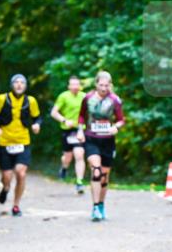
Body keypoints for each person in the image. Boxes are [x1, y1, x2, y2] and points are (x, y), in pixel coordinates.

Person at [0, 73, 42, 217]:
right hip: (5, 142)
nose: (19, 85)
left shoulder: (31, 101)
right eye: (16, 82)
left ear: (25, 86)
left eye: (22, 82)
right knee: (7, 177)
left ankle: (16, 205)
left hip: (23, 142)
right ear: (12, 85)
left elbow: (37, 117)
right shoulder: (2, 99)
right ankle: (6, 188)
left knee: (21, 173)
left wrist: (37, 125)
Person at [76, 71, 124, 222]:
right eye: (101, 85)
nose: (104, 88)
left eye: (106, 85)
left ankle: (101, 204)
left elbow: (121, 120)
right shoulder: (88, 98)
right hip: (91, 139)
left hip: (108, 141)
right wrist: (80, 130)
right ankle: (95, 206)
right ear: (96, 84)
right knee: (96, 171)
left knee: (104, 176)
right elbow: (81, 115)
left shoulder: (115, 100)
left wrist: (116, 127)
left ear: (110, 85)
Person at [51, 75, 87, 194]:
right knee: (67, 157)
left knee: (79, 154)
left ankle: (79, 182)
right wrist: (64, 120)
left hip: (80, 130)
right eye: (73, 84)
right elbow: (54, 113)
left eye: (77, 84)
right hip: (67, 130)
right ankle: (64, 167)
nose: (75, 87)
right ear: (69, 86)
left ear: (80, 86)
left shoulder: (85, 96)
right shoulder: (63, 96)